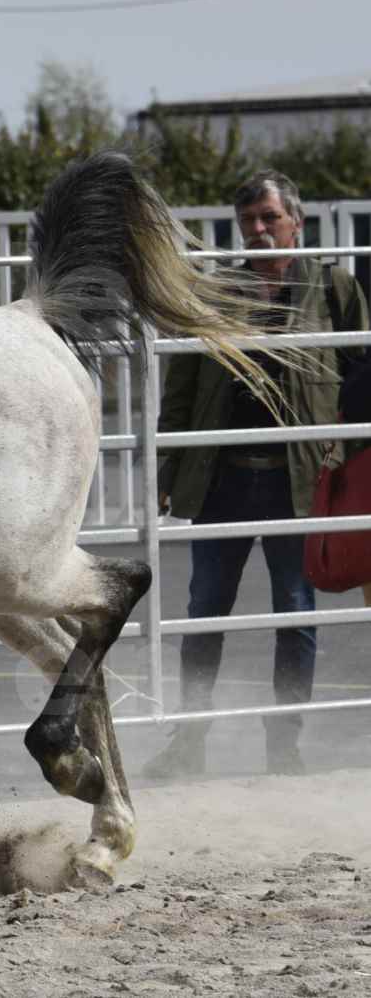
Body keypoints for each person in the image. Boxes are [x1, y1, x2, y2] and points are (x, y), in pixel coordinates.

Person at [146, 170, 370, 778]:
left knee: (293, 614)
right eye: (249, 221)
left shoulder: (334, 290)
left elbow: (361, 380)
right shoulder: (217, 294)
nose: (259, 230)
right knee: (205, 612)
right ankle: (190, 741)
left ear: (296, 222)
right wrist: (168, 466)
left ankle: (284, 746)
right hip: (224, 478)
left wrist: (351, 463)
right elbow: (183, 389)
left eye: (270, 218)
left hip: (299, 486)